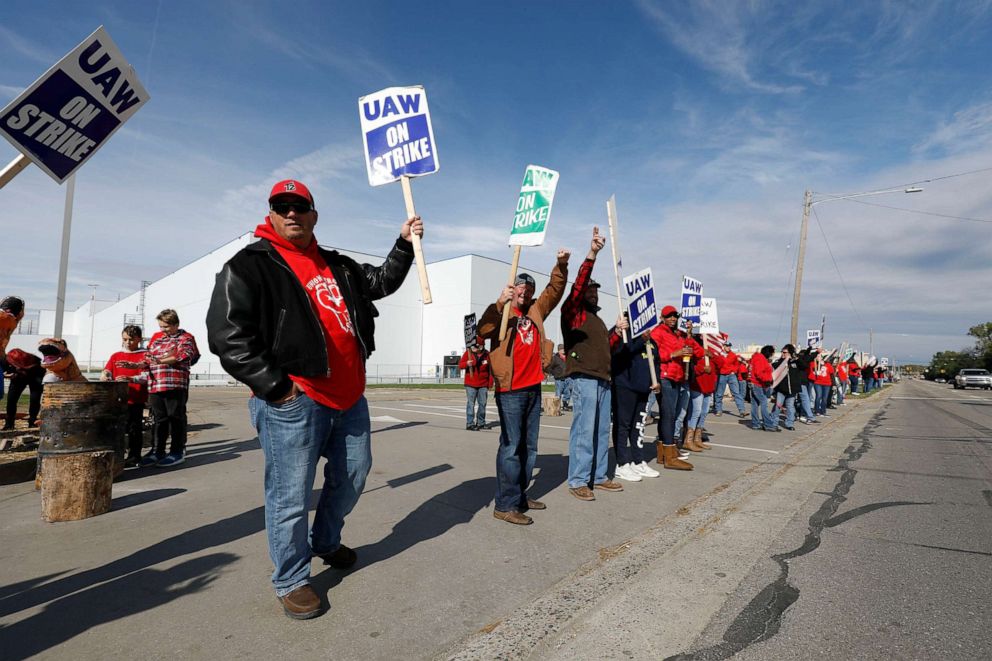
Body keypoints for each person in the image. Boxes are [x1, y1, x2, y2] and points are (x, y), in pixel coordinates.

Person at [206, 178, 420, 619]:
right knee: (290, 495)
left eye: (300, 207)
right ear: (271, 214)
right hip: (295, 401)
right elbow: (228, 336)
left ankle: (325, 541)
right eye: (282, 207)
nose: (291, 214)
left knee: (354, 476)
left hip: (349, 397)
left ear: (313, 215)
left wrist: (403, 246)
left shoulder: (337, 265)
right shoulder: (249, 266)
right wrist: (279, 388)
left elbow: (378, 283)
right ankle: (292, 578)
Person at [478, 251, 569, 525]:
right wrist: (499, 303)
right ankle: (504, 504)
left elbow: (554, 291)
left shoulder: (534, 311)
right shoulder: (503, 311)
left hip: (532, 387)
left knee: (529, 448)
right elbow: (483, 330)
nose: (525, 293)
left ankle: (518, 496)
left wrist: (561, 266)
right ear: (512, 289)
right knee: (510, 446)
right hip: (510, 390)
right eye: (521, 288)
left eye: (529, 289)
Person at [561, 227, 627, 500]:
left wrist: (615, 331)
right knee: (584, 430)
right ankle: (578, 480)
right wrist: (592, 254)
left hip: (603, 380)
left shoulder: (596, 321)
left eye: (596, 291)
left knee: (601, 431)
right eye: (590, 290)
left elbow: (606, 349)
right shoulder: (573, 313)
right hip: (584, 378)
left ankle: (599, 476)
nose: (593, 293)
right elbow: (577, 287)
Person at [133, 309, 199, 467]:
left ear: (176, 324)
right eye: (161, 326)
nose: (163, 330)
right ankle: (157, 450)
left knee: (175, 417)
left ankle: (177, 450)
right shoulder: (157, 338)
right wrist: (137, 364)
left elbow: (184, 355)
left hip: (174, 383)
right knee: (159, 418)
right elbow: (148, 357)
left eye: (166, 327)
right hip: (155, 383)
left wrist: (160, 360)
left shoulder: (185, 338)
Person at [649, 305, 699, 470]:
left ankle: (664, 453)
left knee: (668, 415)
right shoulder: (658, 332)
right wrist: (674, 354)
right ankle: (669, 455)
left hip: (676, 377)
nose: (673, 318)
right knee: (669, 415)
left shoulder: (676, 333)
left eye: (675, 316)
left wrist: (690, 334)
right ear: (662, 317)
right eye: (669, 316)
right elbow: (653, 354)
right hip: (665, 377)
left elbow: (689, 346)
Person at [610, 328, 661, 482]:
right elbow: (622, 353)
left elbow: (656, 362)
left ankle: (638, 461)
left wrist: (656, 380)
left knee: (638, 426)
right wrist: (641, 341)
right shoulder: (626, 336)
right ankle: (622, 464)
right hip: (625, 387)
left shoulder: (651, 341)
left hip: (644, 389)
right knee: (623, 426)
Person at [101, 325, 149, 467]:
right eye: (125, 339)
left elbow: (148, 376)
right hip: (118, 398)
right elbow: (107, 370)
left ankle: (135, 455)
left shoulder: (145, 355)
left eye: (131, 339)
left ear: (139, 339)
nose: (127, 343)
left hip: (136, 398)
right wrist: (106, 375)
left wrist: (131, 379)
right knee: (119, 428)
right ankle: (118, 455)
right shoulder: (116, 355)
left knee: (135, 428)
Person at [687, 347, 723, 448]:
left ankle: (697, 438)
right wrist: (702, 369)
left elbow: (721, 364)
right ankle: (689, 440)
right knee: (696, 412)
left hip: (709, 387)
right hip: (697, 386)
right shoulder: (696, 350)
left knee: (704, 412)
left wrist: (712, 356)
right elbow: (690, 368)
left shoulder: (712, 350)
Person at [3, 348, 44, 429]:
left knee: (35, 398)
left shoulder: (35, 361)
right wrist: (7, 375)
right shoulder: (7, 359)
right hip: (18, 377)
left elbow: (41, 369)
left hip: (35, 373)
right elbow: (4, 371)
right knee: (11, 399)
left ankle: (32, 421)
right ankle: (9, 424)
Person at [458, 339, 492, 430]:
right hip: (471, 383)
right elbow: (460, 365)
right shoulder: (468, 353)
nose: (475, 348)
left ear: (482, 346)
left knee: (483, 404)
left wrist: (490, 383)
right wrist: (467, 364)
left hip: (483, 384)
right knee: (471, 404)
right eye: (475, 346)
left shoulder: (487, 355)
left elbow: (490, 370)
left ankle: (481, 422)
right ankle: (470, 423)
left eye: (478, 346)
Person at [713, 340, 747, 418]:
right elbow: (715, 364)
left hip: (731, 376)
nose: (728, 347)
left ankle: (742, 411)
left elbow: (737, 364)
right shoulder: (719, 354)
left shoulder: (733, 355)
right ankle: (718, 410)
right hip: (722, 375)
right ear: (724, 346)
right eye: (727, 346)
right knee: (719, 393)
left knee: (736, 393)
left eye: (729, 346)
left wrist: (734, 371)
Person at [749, 345, 779, 431]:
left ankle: (755, 424)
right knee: (764, 402)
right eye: (772, 353)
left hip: (756, 383)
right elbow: (759, 372)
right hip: (757, 383)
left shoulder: (758, 358)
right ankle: (768, 424)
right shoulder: (760, 359)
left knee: (755, 404)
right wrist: (768, 380)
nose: (772, 355)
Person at [773, 344, 801, 431]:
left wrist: (795, 358)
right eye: (782, 352)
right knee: (778, 406)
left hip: (792, 389)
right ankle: (774, 422)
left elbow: (804, 365)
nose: (783, 354)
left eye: (785, 352)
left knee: (790, 406)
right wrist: (784, 360)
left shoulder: (795, 362)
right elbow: (774, 366)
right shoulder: (780, 362)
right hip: (781, 388)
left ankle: (789, 423)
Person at [547, 344, 572, 411]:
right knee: (558, 393)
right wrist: (554, 373)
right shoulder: (555, 358)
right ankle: (557, 407)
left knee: (568, 393)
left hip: (568, 378)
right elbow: (549, 367)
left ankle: (565, 406)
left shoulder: (568, 357)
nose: (564, 350)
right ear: (559, 350)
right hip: (559, 379)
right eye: (562, 349)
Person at [811, 351, 833, 416]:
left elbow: (832, 374)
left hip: (827, 383)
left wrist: (833, 384)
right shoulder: (814, 363)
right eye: (817, 356)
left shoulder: (828, 364)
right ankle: (817, 410)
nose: (818, 357)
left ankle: (823, 411)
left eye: (819, 356)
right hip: (818, 383)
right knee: (818, 396)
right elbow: (812, 370)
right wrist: (818, 367)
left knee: (825, 398)